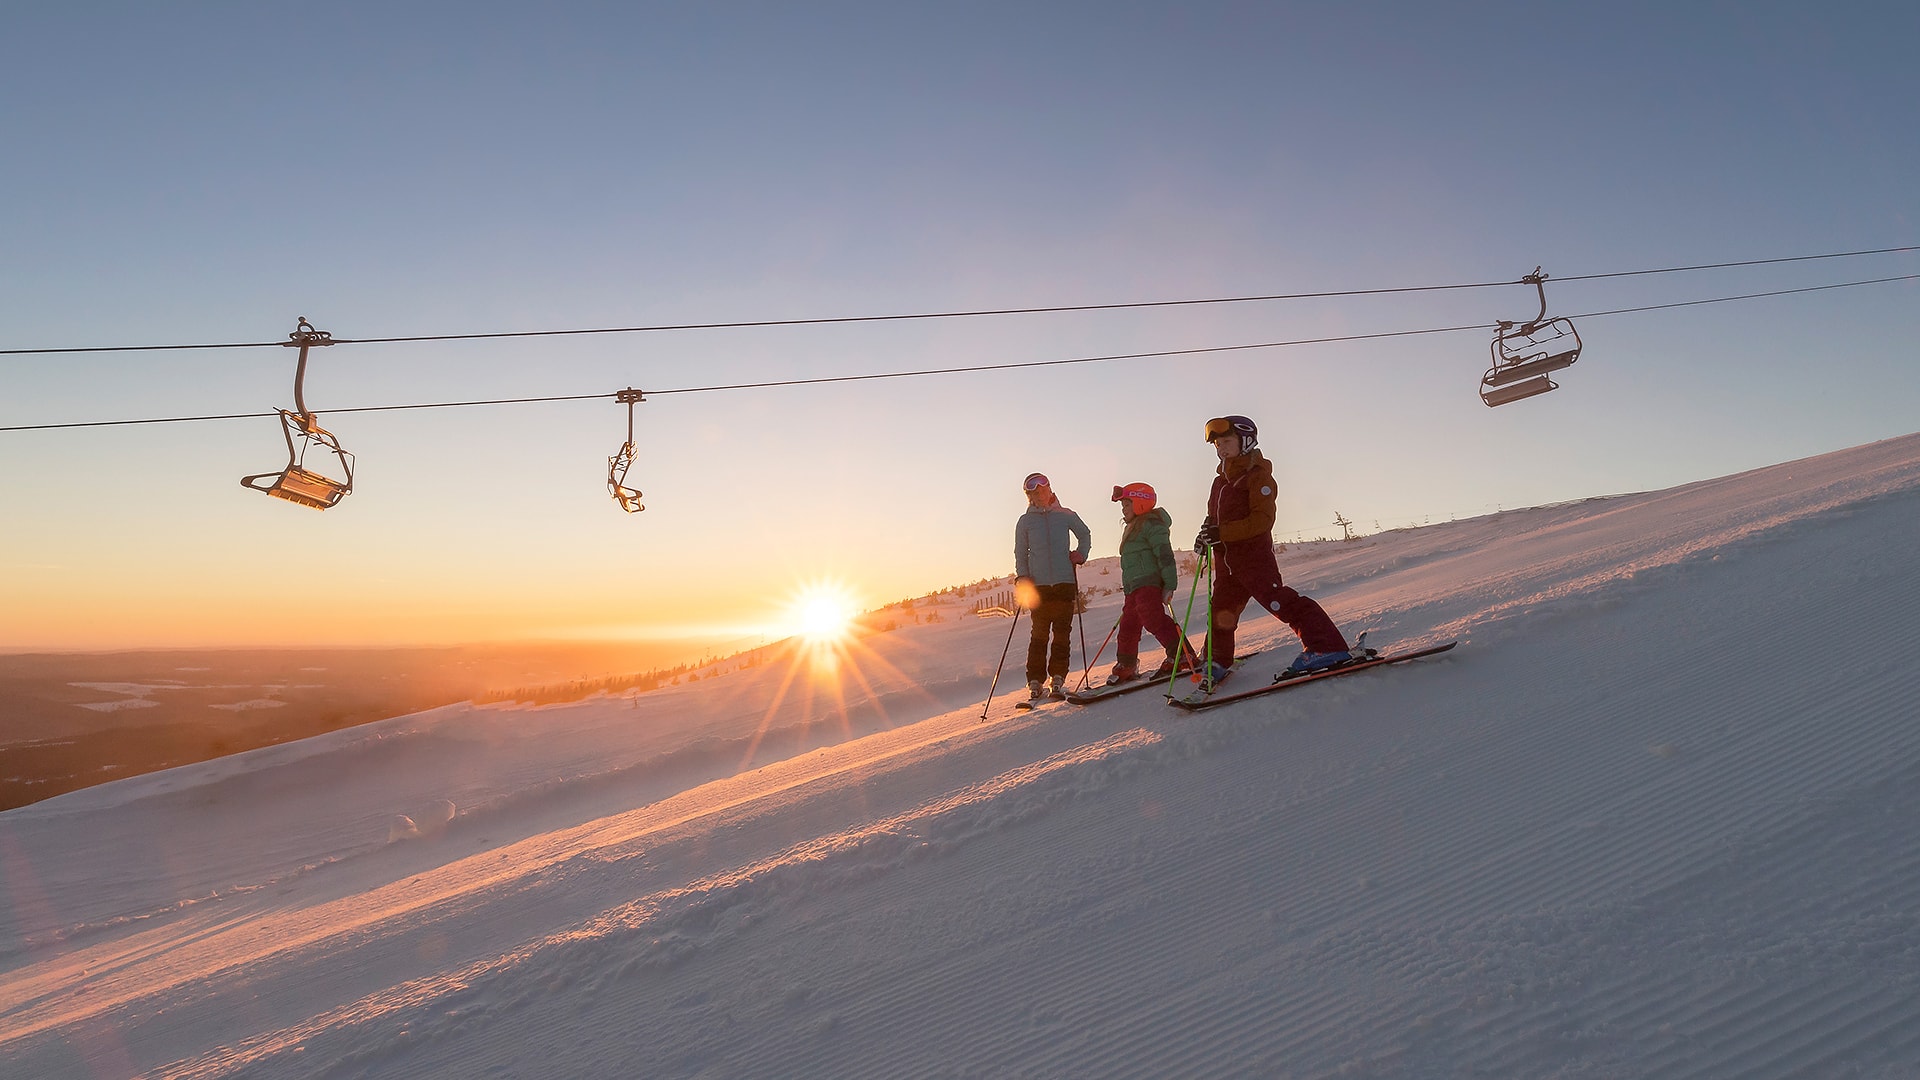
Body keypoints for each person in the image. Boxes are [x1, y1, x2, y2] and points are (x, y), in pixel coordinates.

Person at [1193, 415, 1350, 688]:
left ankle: (1326, 646)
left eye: (1227, 441)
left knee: (1278, 600)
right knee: (1220, 610)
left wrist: (1223, 533)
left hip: (1253, 558)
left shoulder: (1258, 475)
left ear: (1246, 440)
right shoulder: (1219, 482)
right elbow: (1213, 519)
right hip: (1226, 562)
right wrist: (1206, 536)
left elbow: (1262, 520)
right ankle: (1217, 660)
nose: (1221, 448)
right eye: (1217, 444)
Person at [1107, 482, 1200, 683]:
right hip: (1133, 587)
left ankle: (1183, 654)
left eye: (1126, 505)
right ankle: (1127, 664)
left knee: (1153, 619)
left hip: (1148, 583)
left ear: (1140, 504)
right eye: (1122, 506)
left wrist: (1169, 584)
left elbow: (1165, 555)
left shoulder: (1152, 525)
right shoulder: (1133, 527)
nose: (1123, 510)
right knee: (1128, 625)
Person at [1013, 472, 1092, 702]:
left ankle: (1057, 677)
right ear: (1029, 497)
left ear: (1049, 490)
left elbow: (1084, 534)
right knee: (1038, 634)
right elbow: (1021, 553)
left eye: (1041, 491)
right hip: (1038, 587)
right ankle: (1035, 681)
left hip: (1064, 582)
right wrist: (1023, 577)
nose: (1038, 495)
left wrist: (1081, 554)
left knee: (1061, 633)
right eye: (1032, 493)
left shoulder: (1065, 515)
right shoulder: (1025, 522)